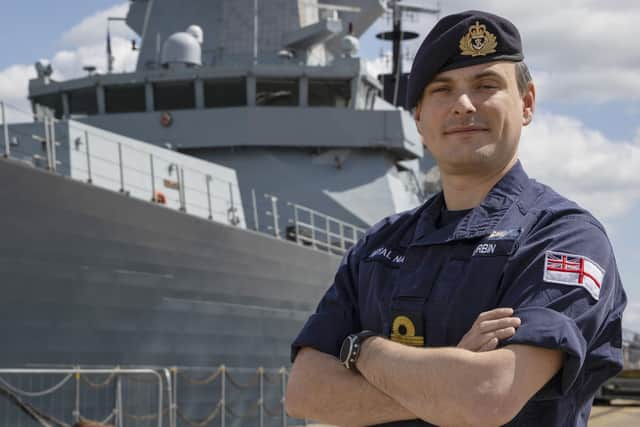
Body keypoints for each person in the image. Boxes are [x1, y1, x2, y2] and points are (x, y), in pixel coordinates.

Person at [285, 10, 627, 427]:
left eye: (486, 85)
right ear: (418, 117)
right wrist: (450, 379)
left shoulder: (562, 238)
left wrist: (362, 350)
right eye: (442, 90)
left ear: (527, 103)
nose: (464, 105)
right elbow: (304, 393)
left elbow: (486, 397)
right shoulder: (378, 248)